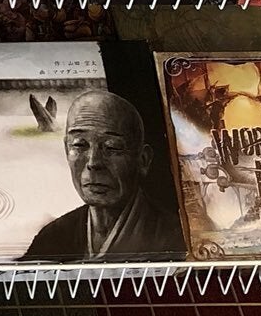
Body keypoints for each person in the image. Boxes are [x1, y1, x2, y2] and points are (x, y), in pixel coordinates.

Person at [22, 89, 184, 262]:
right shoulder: (53, 237)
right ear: (66, 150)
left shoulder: (175, 237)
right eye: (79, 145)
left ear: (143, 160)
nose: (93, 162)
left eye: (112, 147)